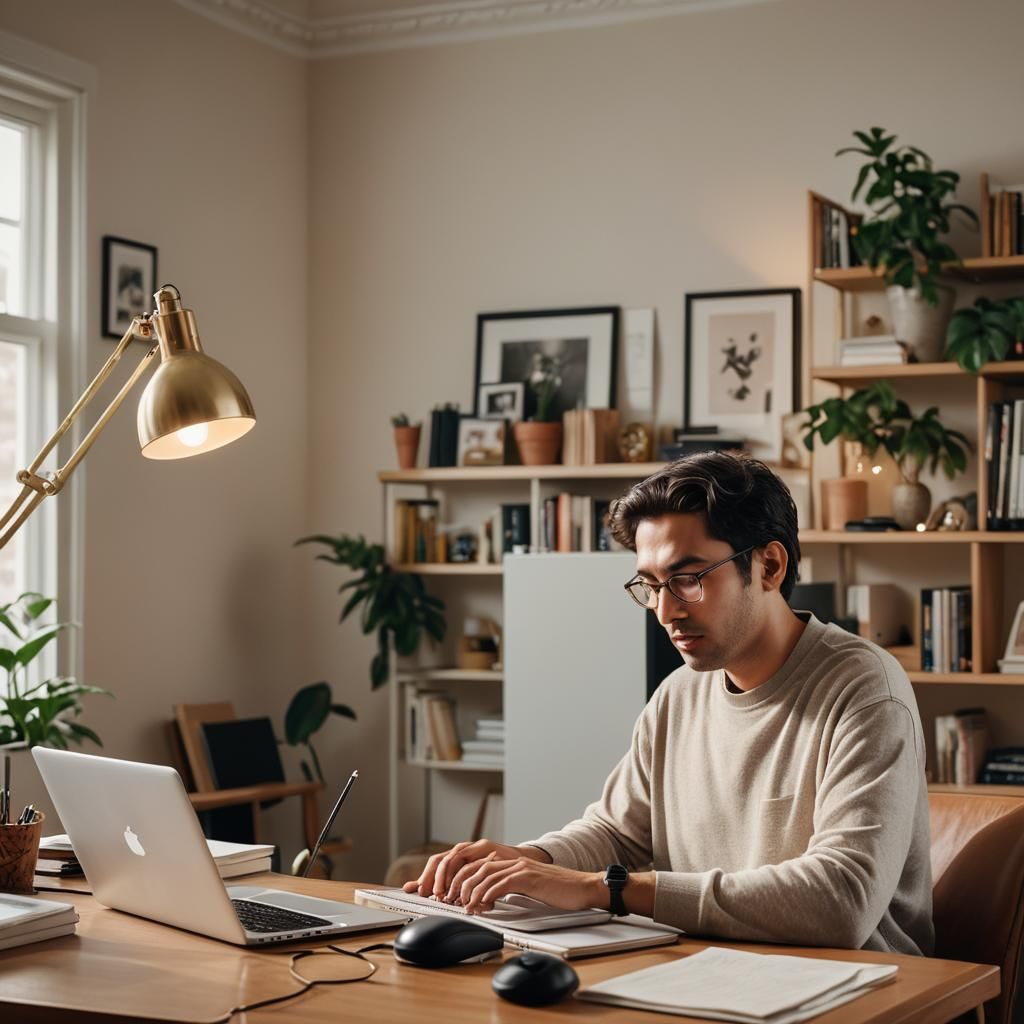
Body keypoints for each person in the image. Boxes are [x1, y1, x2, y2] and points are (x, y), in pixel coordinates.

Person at [405, 451, 933, 955]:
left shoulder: (865, 690)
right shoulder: (679, 694)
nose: (664, 611)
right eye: (651, 585)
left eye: (687, 579)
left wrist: (605, 889)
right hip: (708, 972)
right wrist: (527, 861)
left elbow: (842, 901)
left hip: (861, 990)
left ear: (769, 566)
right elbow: (617, 832)